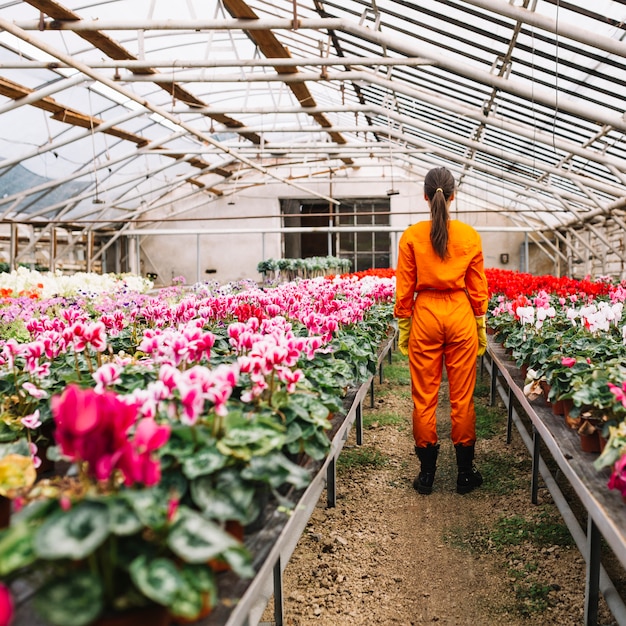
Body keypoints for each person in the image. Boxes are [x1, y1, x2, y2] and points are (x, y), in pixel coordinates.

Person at [394, 166, 489, 495]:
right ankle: (465, 474)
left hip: (425, 315)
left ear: (425, 196)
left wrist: (404, 327)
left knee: (424, 398)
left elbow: (404, 289)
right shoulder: (469, 236)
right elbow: (478, 289)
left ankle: (427, 475)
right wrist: (479, 324)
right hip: (460, 314)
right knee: (462, 397)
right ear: (453, 195)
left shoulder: (411, 236)